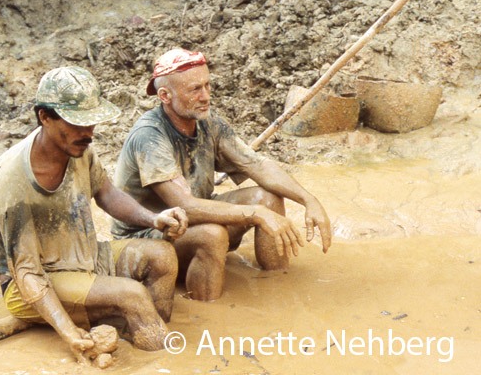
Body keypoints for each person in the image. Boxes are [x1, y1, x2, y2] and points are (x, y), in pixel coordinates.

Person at [0, 66, 188, 362]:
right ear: (44, 117)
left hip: (84, 257)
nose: (88, 132)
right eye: (77, 123)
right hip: (31, 283)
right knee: (132, 295)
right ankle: (164, 357)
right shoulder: (12, 179)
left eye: (91, 122)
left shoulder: (79, 149)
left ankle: (146, 332)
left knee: (164, 256)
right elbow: (26, 272)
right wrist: (67, 331)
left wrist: (153, 219)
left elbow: (107, 194)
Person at [112, 49, 332, 301]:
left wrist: (308, 200)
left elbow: (259, 166)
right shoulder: (149, 136)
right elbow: (185, 207)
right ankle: (206, 308)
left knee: (268, 199)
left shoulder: (209, 123)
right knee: (213, 234)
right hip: (144, 238)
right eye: (194, 89)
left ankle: (278, 290)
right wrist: (255, 214)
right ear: (165, 96)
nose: (205, 96)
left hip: (190, 224)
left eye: (207, 85)